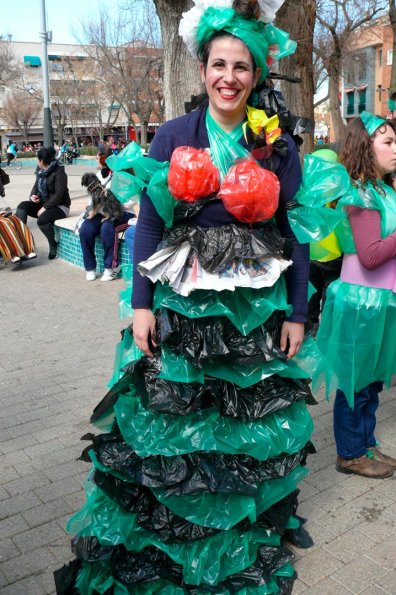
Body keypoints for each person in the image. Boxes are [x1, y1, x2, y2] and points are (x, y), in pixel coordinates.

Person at [57, 1, 316, 592]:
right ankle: (179, 538)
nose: (229, 77)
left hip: (255, 310)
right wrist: (141, 302)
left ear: (257, 75)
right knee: (181, 414)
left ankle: (251, 525)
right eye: (219, 64)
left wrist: (298, 311)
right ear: (202, 69)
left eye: (242, 67)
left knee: (246, 415)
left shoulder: (277, 143)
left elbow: (295, 232)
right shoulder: (174, 135)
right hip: (182, 307)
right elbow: (149, 224)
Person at [316, 112, 396, 479]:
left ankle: (364, 443)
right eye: (388, 142)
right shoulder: (360, 194)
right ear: (367, 146)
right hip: (363, 303)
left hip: (379, 302)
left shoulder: (382, 189)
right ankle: (349, 453)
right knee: (356, 382)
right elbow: (372, 254)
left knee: (371, 381)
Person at [79, 146, 135, 281]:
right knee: (85, 229)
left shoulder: (123, 174)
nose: (97, 160)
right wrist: (96, 207)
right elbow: (92, 199)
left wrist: (110, 201)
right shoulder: (98, 176)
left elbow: (131, 200)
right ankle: (90, 267)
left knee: (107, 228)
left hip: (122, 213)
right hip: (101, 212)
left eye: (98, 158)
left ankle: (111, 267)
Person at [15, 146, 70, 259]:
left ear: (41, 161)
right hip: (44, 204)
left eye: (37, 159)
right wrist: (32, 196)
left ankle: (52, 243)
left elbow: (59, 194)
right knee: (22, 206)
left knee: (42, 220)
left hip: (60, 206)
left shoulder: (59, 171)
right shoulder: (40, 170)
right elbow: (36, 186)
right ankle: (20, 242)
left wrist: (45, 207)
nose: (37, 162)